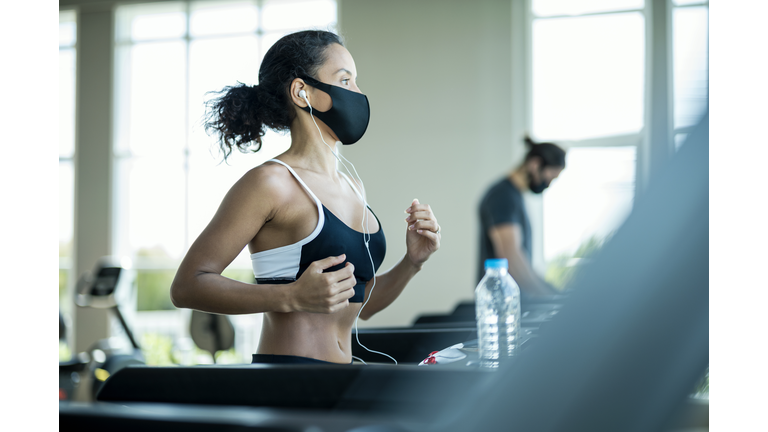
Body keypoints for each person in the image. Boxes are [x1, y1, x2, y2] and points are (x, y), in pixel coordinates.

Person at [170, 30, 440, 365]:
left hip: (346, 374)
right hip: (291, 380)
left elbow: (360, 304)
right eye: (345, 80)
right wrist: (291, 296)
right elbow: (187, 286)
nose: (358, 93)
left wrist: (412, 262)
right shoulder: (270, 182)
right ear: (302, 92)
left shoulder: (352, 185)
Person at [477, 135, 565, 300]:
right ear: (535, 164)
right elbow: (511, 257)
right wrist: (548, 297)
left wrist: (554, 292)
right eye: (550, 177)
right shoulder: (503, 196)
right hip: (500, 306)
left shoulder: (513, 196)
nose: (548, 184)